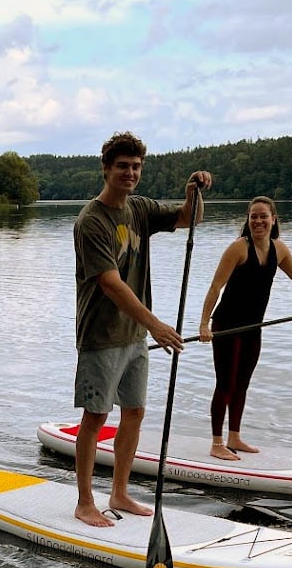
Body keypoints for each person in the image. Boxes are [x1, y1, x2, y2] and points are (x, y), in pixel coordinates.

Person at [73, 131, 212, 527]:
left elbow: (189, 218)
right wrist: (155, 324)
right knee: (95, 418)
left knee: (134, 412)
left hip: (133, 336)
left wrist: (193, 193)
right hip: (101, 335)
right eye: (122, 166)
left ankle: (119, 491)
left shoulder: (140, 210)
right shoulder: (91, 221)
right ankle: (85, 502)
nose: (130, 173)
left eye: (135, 167)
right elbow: (110, 282)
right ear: (106, 169)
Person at [198, 196, 292, 460]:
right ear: (248, 220)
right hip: (226, 326)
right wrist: (204, 324)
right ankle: (217, 443)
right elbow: (215, 287)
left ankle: (235, 437)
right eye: (253, 216)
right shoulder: (238, 249)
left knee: (242, 384)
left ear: (274, 219)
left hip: (254, 327)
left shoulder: (279, 249)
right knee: (225, 384)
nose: (258, 221)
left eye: (263, 216)